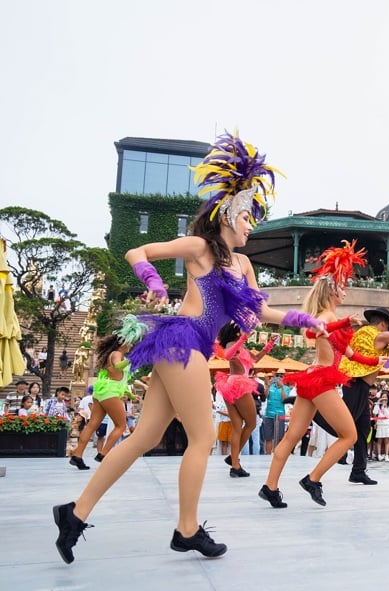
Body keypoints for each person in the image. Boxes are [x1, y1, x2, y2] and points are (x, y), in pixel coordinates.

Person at [54, 132, 322, 563]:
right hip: (182, 341)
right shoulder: (200, 248)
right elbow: (136, 250)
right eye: (248, 216)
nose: (251, 224)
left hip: (191, 348)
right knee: (200, 438)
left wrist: (308, 322)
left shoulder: (245, 265)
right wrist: (155, 283)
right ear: (230, 215)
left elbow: (264, 311)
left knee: (144, 437)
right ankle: (187, 528)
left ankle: (74, 513)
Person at [260, 240, 369, 508]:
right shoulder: (327, 315)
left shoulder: (329, 315)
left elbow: (348, 352)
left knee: (292, 436)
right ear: (332, 290)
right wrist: (345, 322)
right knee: (350, 436)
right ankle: (313, 479)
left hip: (312, 378)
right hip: (321, 381)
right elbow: (312, 331)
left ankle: (270, 486)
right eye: (342, 285)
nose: (345, 290)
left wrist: (374, 358)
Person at [314, 307, 389, 483]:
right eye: (387, 326)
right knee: (344, 427)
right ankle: (316, 414)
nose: (388, 330)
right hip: (357, 384)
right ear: (383, 323)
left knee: (363, 428)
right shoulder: (379, 335)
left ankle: (358, 471)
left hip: (358, 385)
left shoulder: (360, 333)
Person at [68, 316, 144, 471]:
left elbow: (119, 381)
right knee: (121, 425)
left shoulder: (114, 354)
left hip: (102, 392)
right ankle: (103, 454)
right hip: (109, 393)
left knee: (92, 425)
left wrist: (130, 396)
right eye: (131, 342)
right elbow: (118, 366)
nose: (132, 345)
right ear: (124, 342)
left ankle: (77, 455)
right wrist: (132, 359)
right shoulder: (117, 354)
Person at [214, 323, 275, 477]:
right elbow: (227, 355)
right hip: (238, 383)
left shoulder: (240, 345)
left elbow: (255, 359)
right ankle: (234, 459)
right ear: (236, 332)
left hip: (232, 383)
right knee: (251, 423)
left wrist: (270, 344)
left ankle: (234, 464)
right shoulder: (232, 344)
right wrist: (243, 338)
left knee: (237, 426)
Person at [263, 371, 289, 454]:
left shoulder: (286, 388)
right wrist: (268, 386)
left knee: (279, 437)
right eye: (277, 376)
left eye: (281, 376)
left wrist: (282, 388)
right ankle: (267, 454)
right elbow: (266, 396)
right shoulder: (271, 387)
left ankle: (277, 454)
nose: (279, 378)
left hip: (280, 414)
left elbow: (284, 399)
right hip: (269, 414)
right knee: (268, 437)